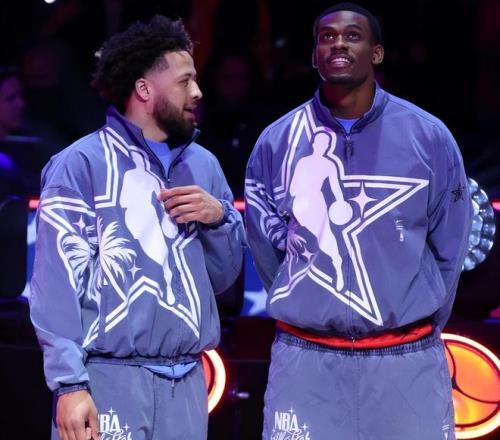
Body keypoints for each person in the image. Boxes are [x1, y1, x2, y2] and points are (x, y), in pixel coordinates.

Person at [244, 3, 471, 439]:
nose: (338, 44)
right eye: (327, 37)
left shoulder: (429, 137)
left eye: (352, 36)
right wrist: (312, 302)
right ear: (314, 56)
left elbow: (450, 248)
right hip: (306, 362)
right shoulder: (276, 142)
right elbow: (267, 247)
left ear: (377, 53)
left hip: (406, 362)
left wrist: (409, 323)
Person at [30, 15, 244, 440]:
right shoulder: (79, 165)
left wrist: (220, 218)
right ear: (144, 89)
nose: (198, 92)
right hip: (106, 379)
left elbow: (221, 280)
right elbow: (55, 286)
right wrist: (69, 385)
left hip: (187, 384)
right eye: (184, 81)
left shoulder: (204, 165)